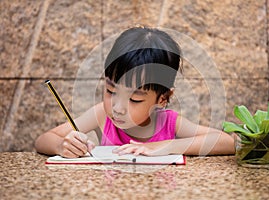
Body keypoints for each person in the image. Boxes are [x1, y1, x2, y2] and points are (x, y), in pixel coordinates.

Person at [35, 26, 234, 158]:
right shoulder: (102, 115)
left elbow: (228, 142)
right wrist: (62, 146)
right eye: (111, 91)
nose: (118, 108)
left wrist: (163, 147)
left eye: (135, 99)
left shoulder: (169, 122)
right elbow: (43, 140)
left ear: (163, 98)